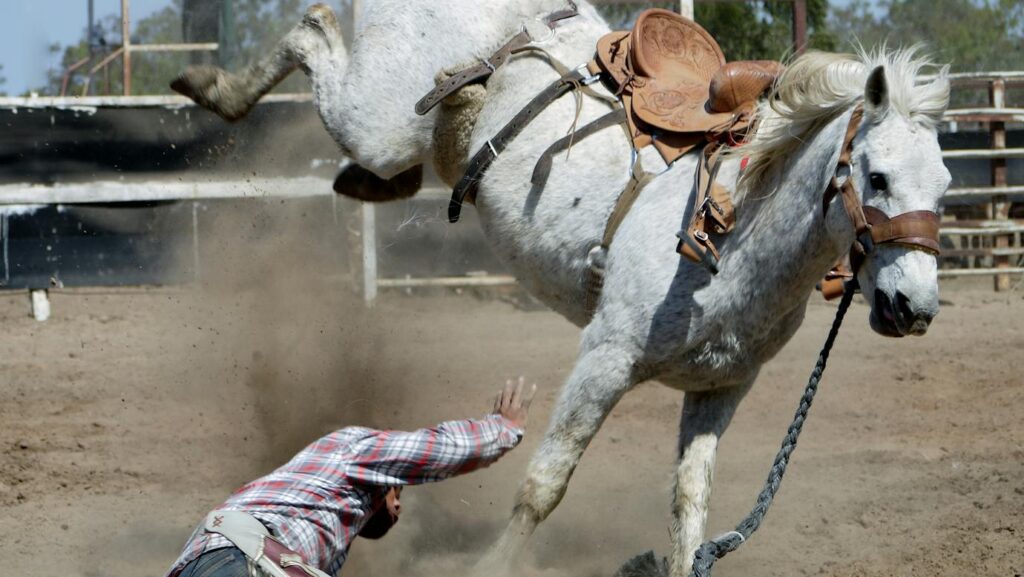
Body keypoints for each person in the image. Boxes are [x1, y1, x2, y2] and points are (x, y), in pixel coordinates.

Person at [165, 377, 537, 577]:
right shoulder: (352, 449)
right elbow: (433, 450)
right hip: (241, 562)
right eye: (398, 495)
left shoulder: (299, 501)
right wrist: (503, 429)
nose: (398, 510)